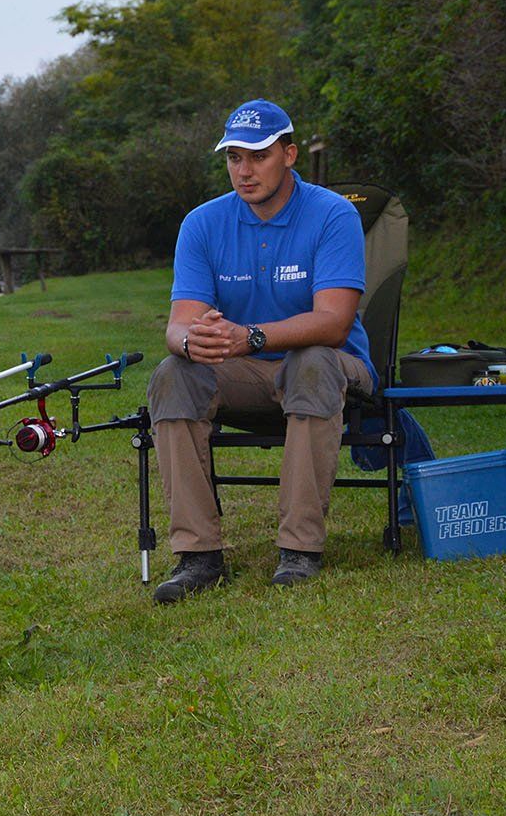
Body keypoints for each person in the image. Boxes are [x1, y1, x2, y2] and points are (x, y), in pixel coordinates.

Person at [146, 99, 375, 603]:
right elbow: (178, 323)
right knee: (172, 372)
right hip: (248, 373)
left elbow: (334, 324)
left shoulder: (333, 214)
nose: (244, 171)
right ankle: (199, 556)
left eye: (258, 156)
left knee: (311, 361)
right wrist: (193, 340)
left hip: (333, 368)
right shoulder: (202, 224)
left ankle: (300, 550)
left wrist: (249, 336)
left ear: (289, 155)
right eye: (233, 158)